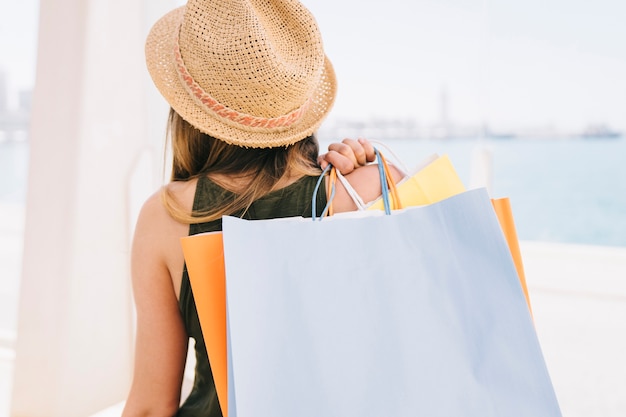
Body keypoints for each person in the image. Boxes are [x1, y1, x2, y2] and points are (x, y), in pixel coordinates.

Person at [122, 1, 402, 416]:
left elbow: (150, 407)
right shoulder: (369, 189)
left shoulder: (169, 216)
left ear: (187, 112)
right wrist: (381, 172)